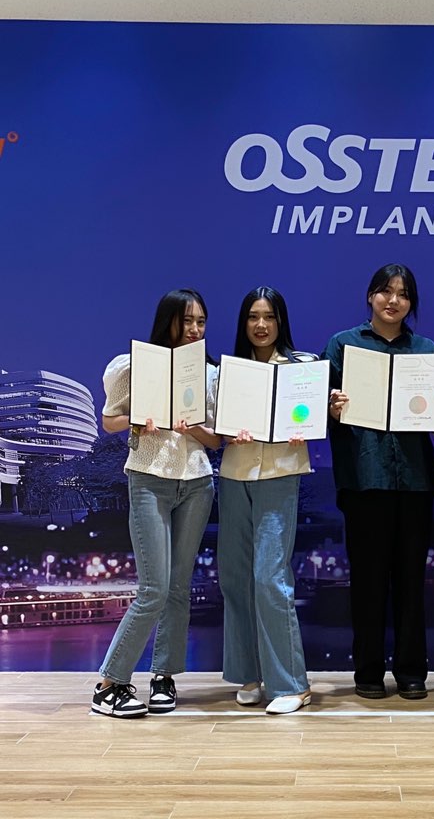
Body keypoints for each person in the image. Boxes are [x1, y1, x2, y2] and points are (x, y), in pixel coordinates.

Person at [322, 263, 434, 701]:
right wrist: (331, 405)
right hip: (364, 480)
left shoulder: (426, 350)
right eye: (385, 291)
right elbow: (315, 408)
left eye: (403, 294)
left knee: (412, 581)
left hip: (415, 480)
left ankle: (412, 671)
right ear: (370, 296)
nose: (393, 300)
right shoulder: (343, 345)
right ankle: (368, 671)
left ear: (411, 303)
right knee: (368, 581)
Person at [92, 288, 220, 718]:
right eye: (187, 321)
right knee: (154, 589)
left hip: (197, 483)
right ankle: (109, 684)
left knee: (179, 588)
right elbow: (109, 421)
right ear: (168, 321)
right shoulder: (135, 366)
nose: (195, 329)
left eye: (201, 322)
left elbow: (215, 441)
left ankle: (164, 676)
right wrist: (139, 421)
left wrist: (192, 428)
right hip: (148, 478)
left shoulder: (209, 374)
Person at [217, 286, 313, 715]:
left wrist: (308, 420)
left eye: (269, 316)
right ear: (244, 323)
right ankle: (250, 674)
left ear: (281, 322)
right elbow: (216, 428)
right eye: (253, 317)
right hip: (234, 474)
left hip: (279, 473)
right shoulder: (228, 371)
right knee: (235, 578)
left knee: (269, 577)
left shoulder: (301, 368)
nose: (261, 325)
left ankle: (292, 684)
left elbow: (313, 416)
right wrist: (226, 433)